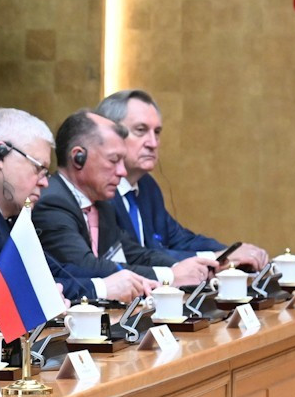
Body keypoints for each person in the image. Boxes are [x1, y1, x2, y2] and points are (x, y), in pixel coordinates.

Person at [0, 108, 156, 304]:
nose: (45, 182)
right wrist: (102, 288)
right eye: (38, 168)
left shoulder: (11, 214)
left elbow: (51, 271)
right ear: (0, 155)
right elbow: (2, 290)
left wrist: (117, 282)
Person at [97, 89, 267, 272]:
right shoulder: (99, 191)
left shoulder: (147, 186)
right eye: (141, 130)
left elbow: (179, 239)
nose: (153, 143)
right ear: (110, 135)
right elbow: (136, 256)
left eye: (157, 132)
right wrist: (215, 258)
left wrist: (230, 252)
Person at [36, 108, 205, 285]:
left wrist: (180, 267)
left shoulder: (103, 205)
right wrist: (170, 276)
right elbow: (85, 266)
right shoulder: (51, 202)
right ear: (78, 157)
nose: (122, 171)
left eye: (122, 162)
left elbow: (134, 254)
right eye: (113, 160)